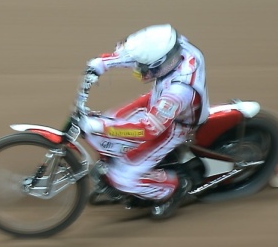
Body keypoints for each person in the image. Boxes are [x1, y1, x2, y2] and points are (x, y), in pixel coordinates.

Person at [79, 24, 208, 219]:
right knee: (112, 118)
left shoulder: (179, 91)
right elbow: (139, 54)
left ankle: (171, 190)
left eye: (146, 69)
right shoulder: (171, 47)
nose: (141, 71)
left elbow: (148, 129)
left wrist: (100, 127)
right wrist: (101, 63)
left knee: (121, 178)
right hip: (159, 100)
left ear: (163, 64)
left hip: (176, 125)